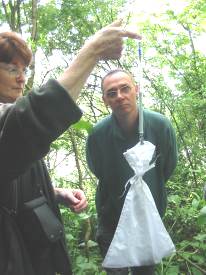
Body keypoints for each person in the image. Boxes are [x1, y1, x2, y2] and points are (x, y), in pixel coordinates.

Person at [0, 22, 139, 275]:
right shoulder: (9, 122)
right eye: (11, 69)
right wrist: (92, 51)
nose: (22, 78)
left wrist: (55, 193)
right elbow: (29, 123)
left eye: (25, 69)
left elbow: (9, 178)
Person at [86, 68, 178, 275]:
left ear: (136, 89)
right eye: (112, 93)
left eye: (125, 88)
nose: (119, 96)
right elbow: (97, 169)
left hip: (148, 219)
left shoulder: (160, 125)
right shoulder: (98, 134)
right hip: (111, 219)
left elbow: (168, 167)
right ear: (105, 100)